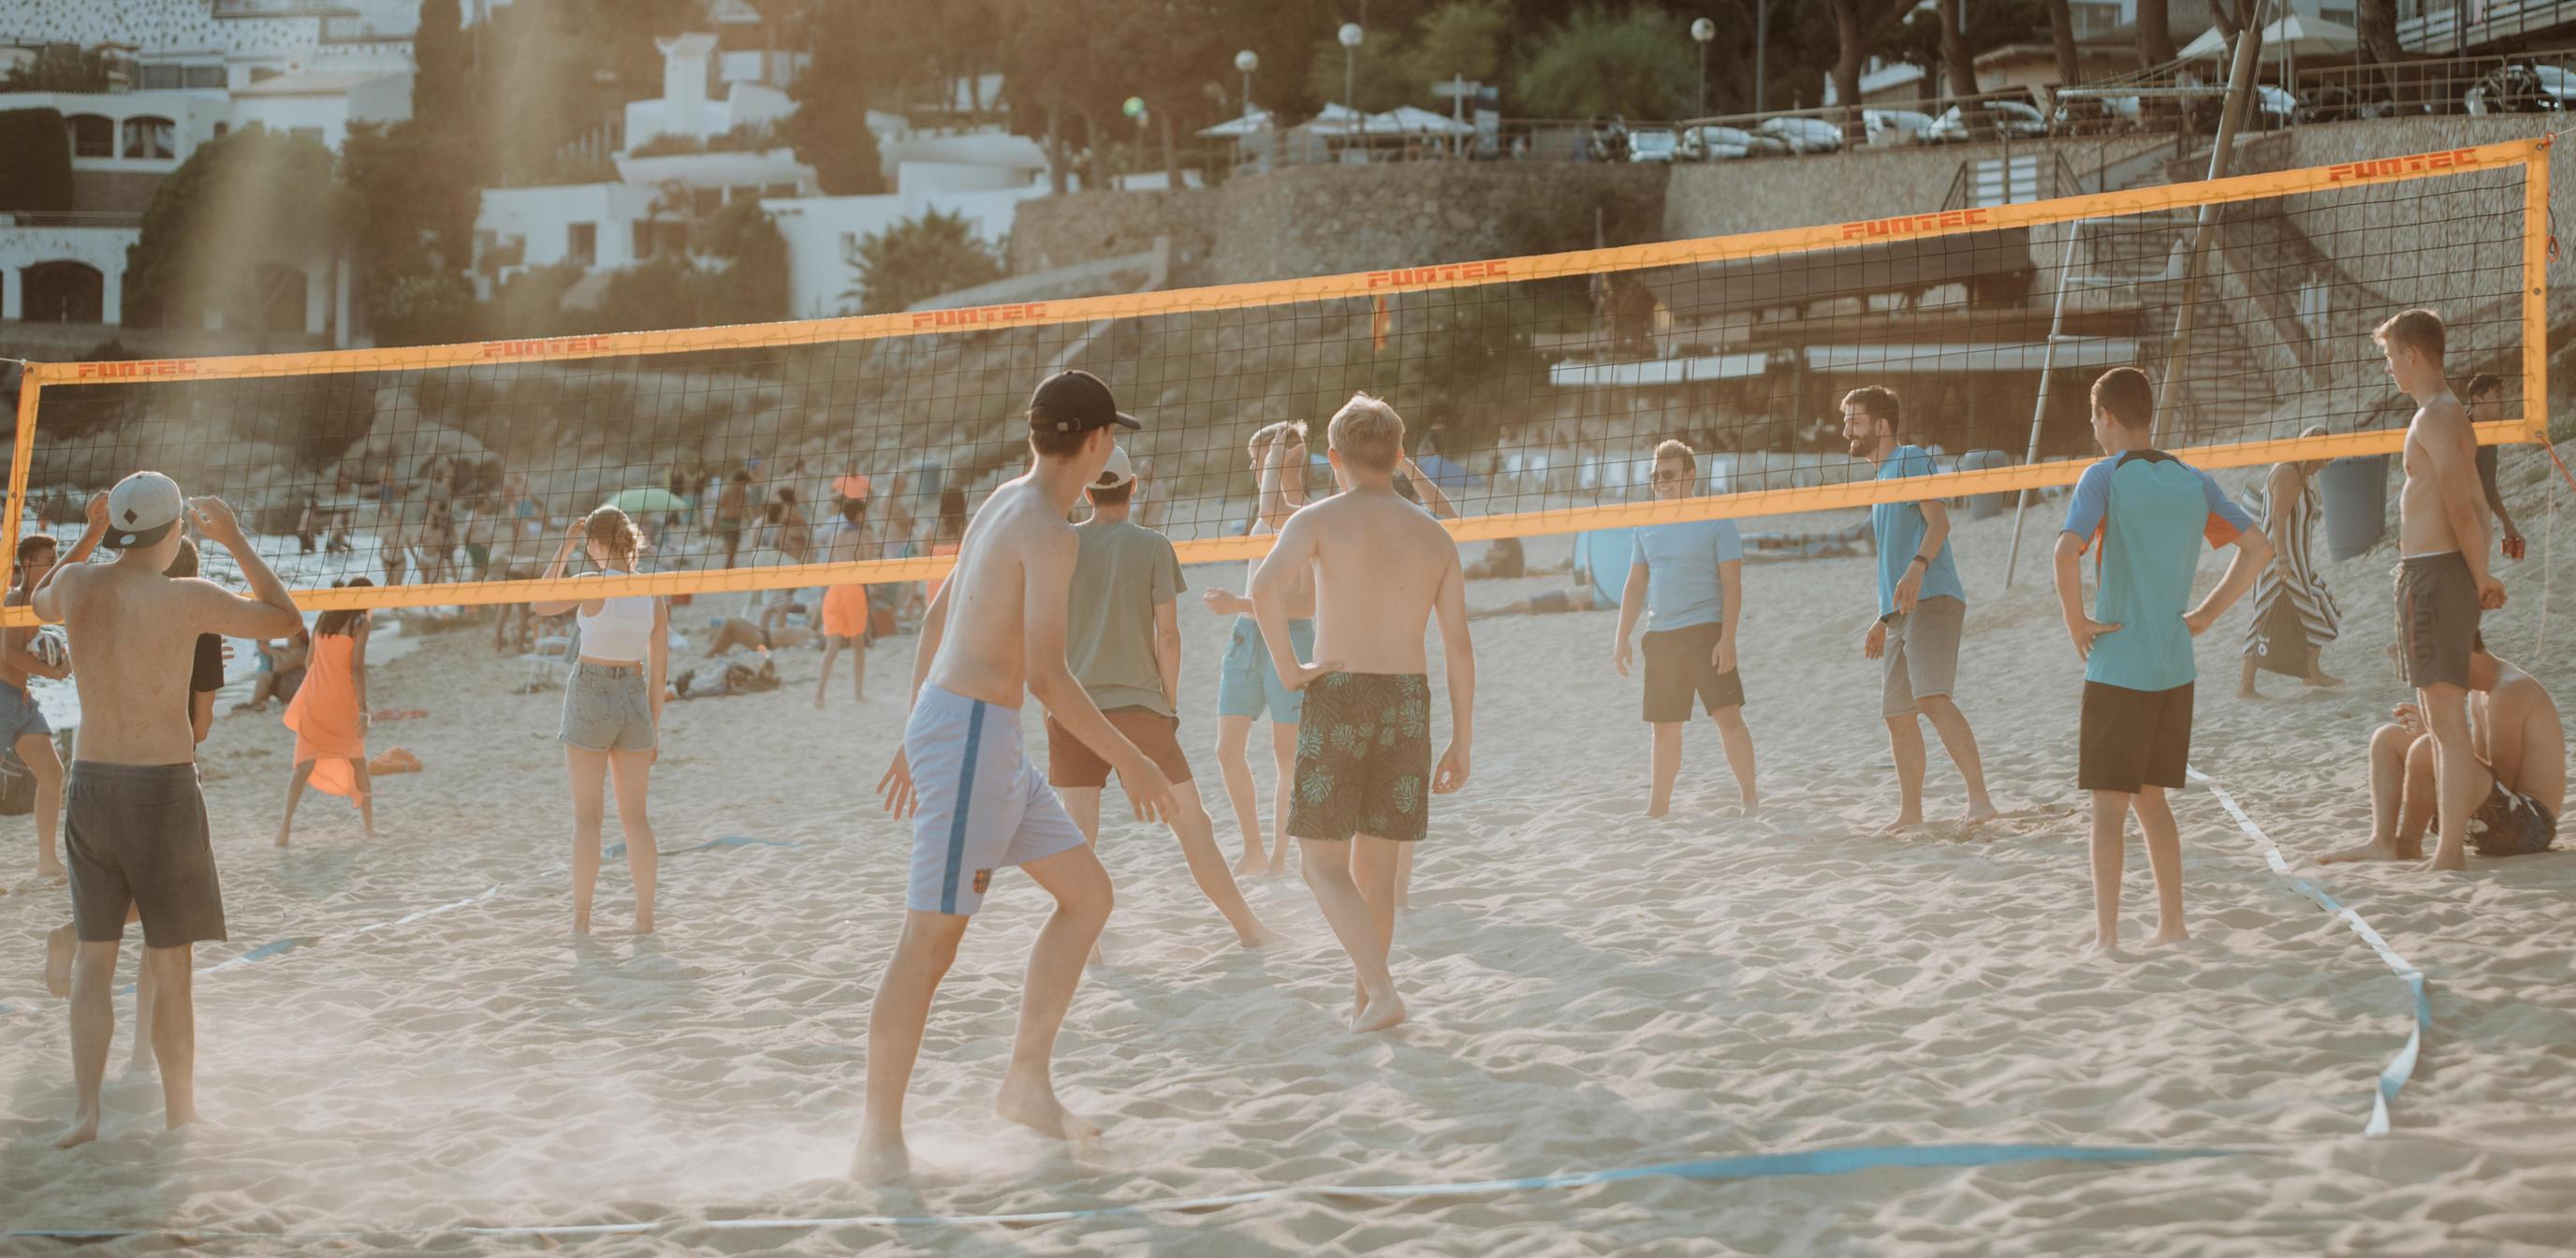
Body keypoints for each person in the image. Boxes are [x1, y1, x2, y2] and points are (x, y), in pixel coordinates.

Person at [861, 369, 1176, 1182]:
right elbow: (1048, 678)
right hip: (970, 734)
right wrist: (1131, 757)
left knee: (1089, 896)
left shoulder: (1005, 499)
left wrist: (912, 726)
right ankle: (877, 1141)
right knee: (929, 943)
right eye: (1114, 436)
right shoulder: (1047, 530)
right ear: (1099, 444)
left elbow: (938, 617)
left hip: (973, 732)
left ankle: (1027, 1082)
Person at [34, 475, 301, 1148]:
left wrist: (89, 535)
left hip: (91, 786)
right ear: (174, 531)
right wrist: (235, 538)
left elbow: (36, 601)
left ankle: (86, 1113)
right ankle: (180, 1111)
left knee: (96, 962)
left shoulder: (76, 587)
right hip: (161, 790)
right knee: (171, 965)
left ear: (120, 529)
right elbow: (285, 618)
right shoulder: (188, 597)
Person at [1252, 392, 1474, 1035]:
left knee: (1320, 865)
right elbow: (1458, 647)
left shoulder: (1318, 519)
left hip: (1341, 693)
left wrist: (1290, 671)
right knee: (1375, 876)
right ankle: (1366, 1004)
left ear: (1333, 458)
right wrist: (1462, 740)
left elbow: (1264, 589)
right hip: (1408, 699)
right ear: (1400, 457)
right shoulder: (1434, 535)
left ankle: (1379, 989)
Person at [2053, 368, 2271, 950]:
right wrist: (2205, 614)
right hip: (2175, 668)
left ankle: (2106, 939)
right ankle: (2173, 925)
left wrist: (2076, 622)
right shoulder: (2192, 480)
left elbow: (2064, 553)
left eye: (2093, 417)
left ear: (2106, 417)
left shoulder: (2103, 476)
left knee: (2108, 810)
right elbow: (2260, 549)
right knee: (2151, 799)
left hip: (2119, 664)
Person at [1048, 446, 1270, 952]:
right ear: (1133, 489)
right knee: (1194, 827)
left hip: (1074, 708)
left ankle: (1087, 945)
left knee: (1082, 836)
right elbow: (1168, 637)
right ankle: (1249, 930)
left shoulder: (1061, 545)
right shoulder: (1153, 546)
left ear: (1086, 491)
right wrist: (1167, 705)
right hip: (1138, 707)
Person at [2379, 309, 2510, 870]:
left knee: (2444, 723)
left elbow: (2462, 505)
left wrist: (2480, 576)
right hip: (2446, 573)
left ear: (2412, 354)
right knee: (2442, 721)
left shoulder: (2434, 417)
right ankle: (2446, 847)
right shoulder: (2455, 414)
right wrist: (2479, 573)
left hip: (2434, 575)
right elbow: (2477, 503)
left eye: (2390, 357)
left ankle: (2449, 849)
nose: (2389, 369)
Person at [1841, 386, 1998, 834]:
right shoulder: (1878, 481)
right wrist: (1882, 618)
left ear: (1882, 425)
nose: (1846, 430)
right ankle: (1911, 813)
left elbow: (1940, 522)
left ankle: (1981, 801)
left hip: (1933, 594)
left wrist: (1917, 568)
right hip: (1901, 609)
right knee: (1897, 714)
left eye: (1855, 420)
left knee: (1930, 697)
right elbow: (1897, 555)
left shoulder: (1908, 458)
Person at [530, 508, 666, 935]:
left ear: (595, 544)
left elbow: (539, 603)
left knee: (587, 818)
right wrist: (653, 729)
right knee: (636, 819)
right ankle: (644, 918)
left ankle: (582, 920)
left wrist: (564, 546)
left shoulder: (590, 583)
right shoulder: (653, 591)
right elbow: (659, 671)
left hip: (590, 689)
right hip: (634, 693)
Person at [1611, 440, 1758, 818]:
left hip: (1706, 632)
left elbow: (1732, 584)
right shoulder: (1646, 523)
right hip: (1661, 636)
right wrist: (1621, 636)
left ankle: (1749, 799)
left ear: (1691, 476)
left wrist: (1728, 638)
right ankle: (1658, 808)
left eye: (1668, 475)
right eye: (1654, 475)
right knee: (1664, 728)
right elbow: (1635, 584)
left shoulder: (1717, 519)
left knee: (1728, 719)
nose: (1659, 482)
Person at [2324, 631, 2561, 865]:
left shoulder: (2508, 691)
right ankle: (2382, 842)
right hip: (2499, 814)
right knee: (2387, 738)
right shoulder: (2480, 692)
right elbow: (2477, 765)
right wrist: (2433, 735)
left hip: (2530, 826)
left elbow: (2502, 782)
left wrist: (2432, 737)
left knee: (2427, 746)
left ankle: (2408, 845)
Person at [1206, 421, 1311, 878]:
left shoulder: (1306, 514)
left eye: (1259, 461)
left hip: (1290, 638)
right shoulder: (1269, 514)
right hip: (1248, 639)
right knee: (1227, 751)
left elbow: (1304, 604)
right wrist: (1240, 609)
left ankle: (1280, 855)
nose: (1255, 468)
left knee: (1286, 755)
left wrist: (1235, 602)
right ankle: (1253, 849)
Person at [2240, 426, 2344, 697]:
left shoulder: (2298, 473)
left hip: (2297, 563)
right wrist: (2282, 561)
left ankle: (2311, 673)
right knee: (2264, 617)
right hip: (2278, 563)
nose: (2323, 466)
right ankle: (2245, 687)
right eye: (2323, 460)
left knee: (2321, 606)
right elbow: (2277, 518)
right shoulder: (2288, 472)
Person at [277, 578, 378, 846]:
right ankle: (369, 829)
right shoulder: (361, 624)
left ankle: (284, 829)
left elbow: (309, 662)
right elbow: (356, 668)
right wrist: (364, 709)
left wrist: (319, 684)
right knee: (357, 762)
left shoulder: (323, 618)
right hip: (343, 701)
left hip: (316, 698)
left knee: (304, 765)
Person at [5, 534, 71, 882]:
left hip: (20, 700)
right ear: (28, 562)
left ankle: (47, 860)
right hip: (2, 699)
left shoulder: (38, 601)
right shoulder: (15, 599)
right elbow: (10, 654)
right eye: (49, 557)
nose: (55, 562)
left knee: (52, 774)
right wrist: (55, 672)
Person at [816, 494, 876, 708]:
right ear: (860, 514)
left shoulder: (835, 535)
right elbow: (868, 562)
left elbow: (832, 562)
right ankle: (858, 693)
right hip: (854, 590)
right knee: (858, 644)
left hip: (835, 590)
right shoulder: (866, 534)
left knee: (832, 647)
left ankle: (819, 695)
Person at [2464, 374, 2527, 562]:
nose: (2503, 402)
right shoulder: (2461, 430)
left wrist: (2507, 524)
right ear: (2478, 400)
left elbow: (2488, 486)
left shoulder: (2487, 434)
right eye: (2497, 396)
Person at [714, 470, 751, 570]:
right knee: (730, 552)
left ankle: (728, 571)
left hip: (736, 523)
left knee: (733, 552)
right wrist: (715, 527)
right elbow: (718, 508)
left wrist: (751, 522)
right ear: (737, 481)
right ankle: (728, 571)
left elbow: (745, 508)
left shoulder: (744, 493)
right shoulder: (727, 491)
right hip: (726, 522)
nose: (743, 485)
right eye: (742, 483)